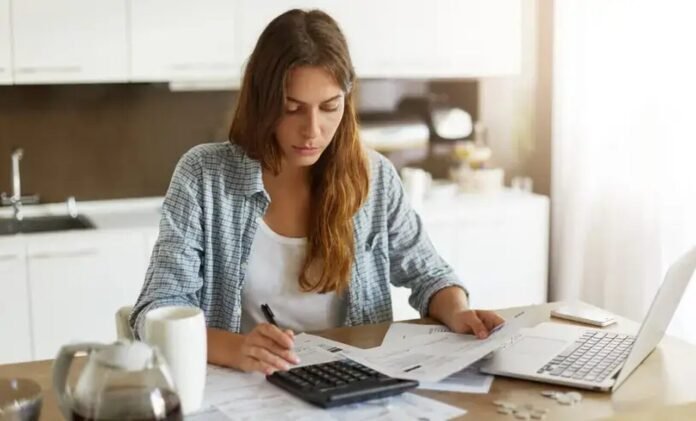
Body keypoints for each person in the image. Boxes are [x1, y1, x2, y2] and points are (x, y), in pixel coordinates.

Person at [130, 8, 504, 376]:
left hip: (352, 384)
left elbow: (430, 276)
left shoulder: (374, 178)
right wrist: (235, 348)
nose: (312, 130)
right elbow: (155, 311)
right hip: (245, 387)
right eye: (292, 108)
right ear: (262, 102)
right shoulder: (203, 176)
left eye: (329, 107)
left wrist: (457, 310)